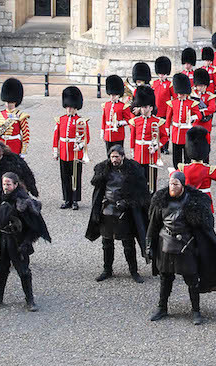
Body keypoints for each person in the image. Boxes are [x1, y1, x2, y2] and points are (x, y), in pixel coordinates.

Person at [146, 171, 216, 325]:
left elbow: (206, 226)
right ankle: (162, 307)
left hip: (186, 246)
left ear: (182, 185)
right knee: (165, 278)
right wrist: (149, 246)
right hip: (165, 245)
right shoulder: (161, 200)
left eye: (176, 184)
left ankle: (196, 311)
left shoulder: (194, 202)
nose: (172, 186)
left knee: (192, 280)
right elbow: (153, 225)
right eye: (171, 183)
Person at [0, 172, 50, 311]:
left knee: (24, 271)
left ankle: (30, 300)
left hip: (17, 241)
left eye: (8, 184)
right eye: (4, 184)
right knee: (0, 269)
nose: (5, 187)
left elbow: (35, 226)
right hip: (2, 239)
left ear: (15, 185)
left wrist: (27, 242)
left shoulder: (23, 201)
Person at [85, 145, 151, 284]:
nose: (114, 159)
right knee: (106, 243)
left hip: (125, 212)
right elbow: (98, 188)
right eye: (112, 156)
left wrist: (127, 202)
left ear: (123, 156)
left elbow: (140, 193)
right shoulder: (103, 169)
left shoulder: (134, 169)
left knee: (128, 244)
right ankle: (107, 270)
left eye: (117, 156)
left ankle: (134, 271)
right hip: (107, 210)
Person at [178, 126, 216, 213]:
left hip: (188, 199)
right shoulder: (209, 170)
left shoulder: (184, 169)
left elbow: (174, 176)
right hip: (205, 200)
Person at [53, 86, 90, 210]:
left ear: (76, 107)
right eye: (67, 107)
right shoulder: (61, 120)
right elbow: (56, 136)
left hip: (75, 154)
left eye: (71, 107)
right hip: (64, 152)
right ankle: (67, 199)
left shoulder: (81, 121)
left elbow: (86, 138)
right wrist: (55, 151)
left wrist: (79, 145)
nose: (69, 109)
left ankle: (75, 200)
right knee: (65, 177)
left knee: (75, 177)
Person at [126, 86, 167, 194]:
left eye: (145, 107)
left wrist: (157, 147)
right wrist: (132, 151)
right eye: (141, 107)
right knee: (139, 181)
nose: (142, 109)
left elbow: (165, 137)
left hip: (151, 155)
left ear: (151, 108)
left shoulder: (158, 122)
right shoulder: (136, 121)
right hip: (139, 155)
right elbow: (133, 138)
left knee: (151, 182)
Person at [0, 77, 30, 158]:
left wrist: (23, 151)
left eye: (10, 102)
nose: (8, 104)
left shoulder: (21, 116)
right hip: (1, 146)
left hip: (15, 146)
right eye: (6, 102)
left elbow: (25, 136)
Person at [167, 73, 203, 168]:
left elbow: (199, 115)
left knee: (187, 157)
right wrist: (167, 129)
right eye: (178, 94)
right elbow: (168, 118)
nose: (179, 96)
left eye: (182, 94)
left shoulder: (191, 103)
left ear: (186, 93)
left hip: (186, 132)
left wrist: (192, 118)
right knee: (176, 157)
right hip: (176, 132)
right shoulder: (172, 103)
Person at [102, 75, 133, 153]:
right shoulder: (106, 105)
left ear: (119, 95)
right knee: (109, 154)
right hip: (108, 134)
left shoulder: (123, 106)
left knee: (118, 154)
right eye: (111, 95)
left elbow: (128, 120)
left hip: (118, 135)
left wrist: (119, 123)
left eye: (114, 95)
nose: (112, 97)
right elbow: (104, 119)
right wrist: (103, 131)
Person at [192, 68, 216, 141]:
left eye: (202, 86)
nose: (200, 88)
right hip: (196, 122)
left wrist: (201, 112)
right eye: (199, 86)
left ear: (206, 86)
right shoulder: (193, 95)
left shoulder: (209, 96)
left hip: (205, 123)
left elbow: (212, 108)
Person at [153, 56, 173, 121]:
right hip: (154, 112)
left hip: (165, 113)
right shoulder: (154, 83)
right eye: (160, 74)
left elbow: (174, 99)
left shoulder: (170, 84)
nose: (161, 76)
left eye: (163, 74)